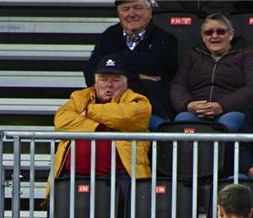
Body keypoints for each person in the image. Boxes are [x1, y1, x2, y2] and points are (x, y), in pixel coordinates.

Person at [50, 55, 151, 200]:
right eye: (103, 79)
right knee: (61, 217)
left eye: (116, 80)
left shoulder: (138, 101)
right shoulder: (79, 97)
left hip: (121, 176)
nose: (109, 85)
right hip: (72, 175)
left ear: (126, 83)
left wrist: (89, 112)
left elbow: (126, 116)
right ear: (95, 83)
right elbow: (62, 121)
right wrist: (100, 126)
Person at [170, 13, 253, 178]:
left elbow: (251, 87)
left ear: (231, 34)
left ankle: (224, 174)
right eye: (209, 32)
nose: (214, 36)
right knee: (182, 121)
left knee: (227, 126)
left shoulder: (246, 55)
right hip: (196, 110)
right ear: (202, 36)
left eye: (220, 31)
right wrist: (188, 104)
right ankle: (187, 176)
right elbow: (178, 85)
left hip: (231, 110)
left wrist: (221, 106)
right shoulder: (192, 55)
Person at [85, 0, 178, 130]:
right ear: (119, 14)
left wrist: (113, 63)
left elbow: (156, 64)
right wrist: (137, 75)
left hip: (149, 111)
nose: (131, 14)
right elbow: (90, 72)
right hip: (110, 108)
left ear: (150, 13)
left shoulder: (166, 39)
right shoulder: (109, 35)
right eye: (125, 9)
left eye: (137, 8)